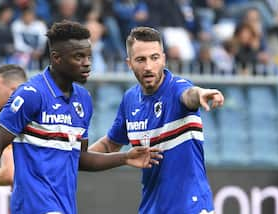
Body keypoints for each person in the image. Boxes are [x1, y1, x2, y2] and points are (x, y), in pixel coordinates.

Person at [0, 20, 162, 214]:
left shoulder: (84, 99)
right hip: (34, 207)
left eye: (88, 56)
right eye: (79, 57)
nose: (87, 63)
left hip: (65, 207)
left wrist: (125, 157)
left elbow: (80, 159)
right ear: (56, 58)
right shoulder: (32, 94)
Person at [89, 26, 224, 214]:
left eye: (154, 58)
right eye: (140, 60)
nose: (148, 67)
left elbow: (189, 95)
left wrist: (201, 94)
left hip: (191, 207)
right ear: (129, 64)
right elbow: (111, 143)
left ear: (163, 58)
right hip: (151, 208)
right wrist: (76, 158)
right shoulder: (130, 100)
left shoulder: (177, 88)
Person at [0, 64, 27, 186]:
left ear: (14, 91)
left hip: (32, 203)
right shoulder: (41, 117)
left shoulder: (13, 124)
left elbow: (9, 174)